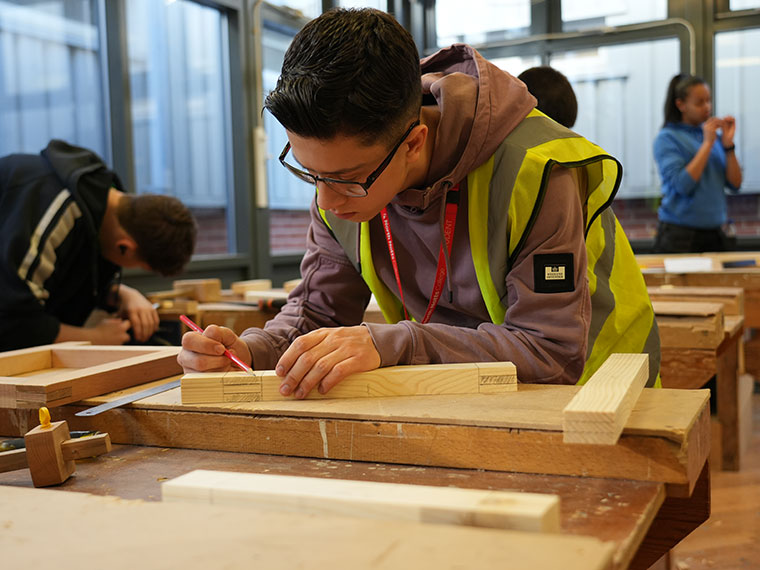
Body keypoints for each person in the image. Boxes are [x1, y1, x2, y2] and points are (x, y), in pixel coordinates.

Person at [178, 8, 659, 397]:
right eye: (309, 172)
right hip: (467, 391)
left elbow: (551, 352)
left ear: (413, 143)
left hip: (601, 392)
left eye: (346, 179)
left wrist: (396, 342)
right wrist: (251, 351)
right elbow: (316, 316)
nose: (325, 199)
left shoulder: (534, 169)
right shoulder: (340, 186)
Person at [0, 139, 197, 351]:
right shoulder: (52, 213)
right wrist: (94, 337)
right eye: (139, 265)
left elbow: (72, 274)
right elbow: (12, 323)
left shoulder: (98, 204)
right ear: (125, 247)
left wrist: (121, 293)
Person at [653, 73, 743, 253]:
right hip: (681, 236)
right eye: (699, 102)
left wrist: (727, 146)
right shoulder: (667, 138)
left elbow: (735, 184)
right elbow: (683, 185)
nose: (707, 107)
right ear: (681, 105)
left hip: (716, 233)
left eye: (708, 101)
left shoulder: (713, 138)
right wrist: (708, 144)